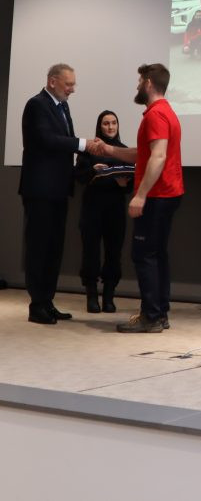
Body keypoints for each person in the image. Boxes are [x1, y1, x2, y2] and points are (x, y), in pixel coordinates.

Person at [100, 63, 183, 333]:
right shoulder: (165, 112)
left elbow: (158, 156)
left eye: (139, 81)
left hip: (157, 195)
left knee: (144, 255)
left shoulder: (156, 115)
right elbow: (144, 153)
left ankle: (152, 317)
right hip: (168, 193)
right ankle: (159, 313)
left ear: (148, 83)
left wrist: (140, 195)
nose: (137, 85)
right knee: (156, 255)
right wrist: (109, 150)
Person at [20, 63, 102, 324]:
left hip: (58, 189)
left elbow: (63, 142)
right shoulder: (36, 105)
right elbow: (47, 139)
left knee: (54, 248)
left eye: (73, 84)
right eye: (69, 84)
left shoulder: (62, 106)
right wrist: (84, 144)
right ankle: (37, 305)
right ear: (52, 81)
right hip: (40, 190)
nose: (72, 89)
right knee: (39, 247)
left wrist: (88, 149)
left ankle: (47, 301)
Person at [75, 110, 131, 313]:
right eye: (106, 123)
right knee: (90, 252)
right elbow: (79, 176)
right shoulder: (90, 149)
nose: (110, 127)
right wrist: (93, 171)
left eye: (114, 123)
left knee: (113, 253)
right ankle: (92, 297)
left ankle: (109, 297)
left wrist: (125, 184)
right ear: (100, 126)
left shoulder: (124, 150)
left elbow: (131, 183)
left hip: (115, 208)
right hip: (92, 207)